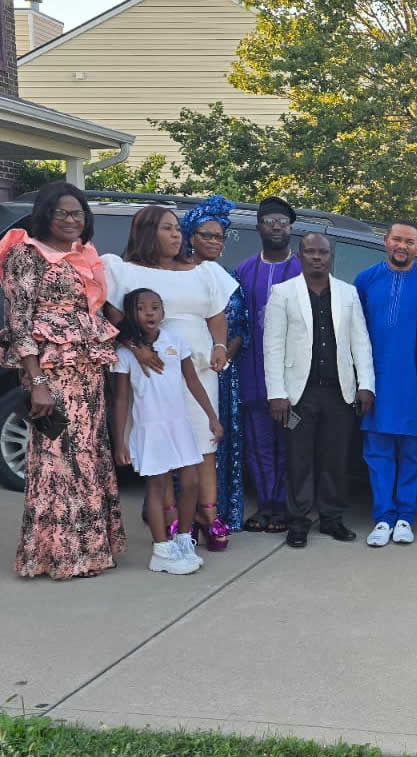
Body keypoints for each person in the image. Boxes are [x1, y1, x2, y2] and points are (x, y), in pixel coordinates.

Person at [0, 182, 125, 580]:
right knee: (58, 458)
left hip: (87, 369)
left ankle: (91, 548)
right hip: (51, 372)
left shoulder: (84, 254)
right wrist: (36, 381)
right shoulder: (26, 254)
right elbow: (18, 322)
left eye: (78, 213)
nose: (71, 220)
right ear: (45, 214)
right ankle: (60, 554)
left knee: (88, 454)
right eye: (62, 212)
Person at [103, 206, 239, 553]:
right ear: (147, 232)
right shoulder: (124, 271)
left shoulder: (203, 271)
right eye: (167, 228)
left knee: (203, 443)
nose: (177, 234)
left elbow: (217, 315)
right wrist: (137, 347)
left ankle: (209, 514)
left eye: (178, 228)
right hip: (153, 372)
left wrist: (220, 346)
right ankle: (173, 517)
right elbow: (114, 318)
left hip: (199, 368)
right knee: (162, 447)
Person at [263, 233, 376, 548]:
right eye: (310, 252)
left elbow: (360, 342)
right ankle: (298, 521)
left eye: (322, 252)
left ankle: (331, 518)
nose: (316, 257)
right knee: (299, 459)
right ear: (299, 256)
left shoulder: (347, 293)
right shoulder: (283, 293)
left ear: (330, 257)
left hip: (339, 391)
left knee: (335, 459)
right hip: (298, 393)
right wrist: (276, 393)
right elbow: (272, 345)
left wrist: (366, 384)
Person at [111, 288, 222, 574]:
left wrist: (212, 417)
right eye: (141, 308)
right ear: (131, 314)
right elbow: (121, 399)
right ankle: (161, 549)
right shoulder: (126, 353)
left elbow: (193, 381)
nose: (149, 312)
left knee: (191, 483)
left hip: (179, 424)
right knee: (157, 488)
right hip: (151, 428)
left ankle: (183, 539)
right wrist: (120, 440)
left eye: (155, 307)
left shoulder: (175, 342)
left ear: (163, 312)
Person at [355, 220, 417, 547]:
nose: (402, 246)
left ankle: (405, 517)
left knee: (413, 455)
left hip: (416, 382)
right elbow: (356, 334)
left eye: (410, 242)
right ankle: (383, 517)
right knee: (378, 454)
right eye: (397, 240)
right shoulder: (365, 280)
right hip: (376, 382)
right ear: (385, 241)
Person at [233, 197, 303, 533]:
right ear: (259, 226)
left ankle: (288, 506)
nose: (276, 227)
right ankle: (266, 505)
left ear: (291, 229)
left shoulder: (304, 270)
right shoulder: (244, 271)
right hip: (253, 373)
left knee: (290, 444)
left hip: (293, 375)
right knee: (258, 444)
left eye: (282, 222)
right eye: (270, 221)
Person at [182, 195, 248, 532]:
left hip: (223, 373)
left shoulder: (227, 278)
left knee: (217, 444)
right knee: (188, 443)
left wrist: (226, 354)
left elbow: (241, 327)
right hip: (186, 372)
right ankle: (183, 515)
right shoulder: (176, 274)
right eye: (206, 235)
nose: (213, 241)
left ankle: (217, 514)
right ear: (190, 236)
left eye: (219, 236)